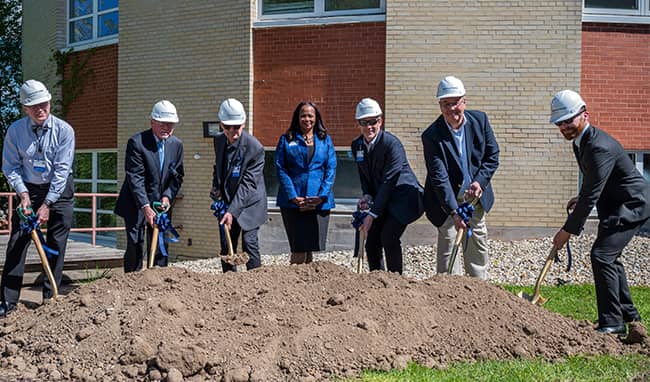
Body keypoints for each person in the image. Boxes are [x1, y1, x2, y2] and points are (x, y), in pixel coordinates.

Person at [549, 90, 650, 339]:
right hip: (616, 204)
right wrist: (580, 197)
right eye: (559, 123)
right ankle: (629, 315)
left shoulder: (598, 146)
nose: (564, 127)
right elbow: (594, 181)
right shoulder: (580, 141)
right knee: (609, 257)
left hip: (632, 204)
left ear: (585, 115)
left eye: (568, 121)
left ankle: (613, 322)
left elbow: (592, 194)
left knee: (602, 256)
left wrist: (567, 231)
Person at [1, 80, 75, 317]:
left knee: (56, 242)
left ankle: (50, 298)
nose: (40, 109)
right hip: (29, 188)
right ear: (24, 108)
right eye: (34, 106)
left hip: (60, 191)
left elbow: (62, 171)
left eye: (43, 104)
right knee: (17, 243)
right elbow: (10, 167)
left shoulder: (64, 130)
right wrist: (24, 195)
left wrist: (47, 205)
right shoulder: (15, 131)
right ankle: (7, 302)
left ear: (49, 102)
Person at [421, 76, 500, 280]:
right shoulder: (431, 135)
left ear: (464, 102)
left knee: (477, 249)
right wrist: (454, 212)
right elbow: (439, 178)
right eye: (446, 104)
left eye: (455, 103)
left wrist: (479, 182)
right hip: (446, 201)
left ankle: (479, 295)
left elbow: (492, 156)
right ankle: (449, 297)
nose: (451, 109)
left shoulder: (480, 121)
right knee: (449, 249)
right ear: (440, 106)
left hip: (474, 199)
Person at [351, 98, 423, 274]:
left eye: (373, 122)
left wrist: (372, 215)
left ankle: (396, 283)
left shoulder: (392, 144)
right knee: (372, 241)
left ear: (380, 121)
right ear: (358, 124)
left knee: (389, 237)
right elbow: (364, 176)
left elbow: (389, 182)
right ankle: (377, 282)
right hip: (383, 201)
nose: (369, 127)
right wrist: (367, 196)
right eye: (364, 122)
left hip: (404, 199)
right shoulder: (357, 146)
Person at [115, 100, 184, 273]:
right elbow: (135, 178)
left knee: (161, 247)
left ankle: (158, 284)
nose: (167, 128)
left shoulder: (176, 145)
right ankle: (132, 284)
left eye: (171, 124)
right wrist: (145, 207)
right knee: (135, 245)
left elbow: (177, 176)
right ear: (152, 122)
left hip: (161, 204)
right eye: (162, 124)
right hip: (136, 203)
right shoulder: (137, 143)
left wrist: (168, 196)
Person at [275, 102, 337, 264]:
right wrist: (293, 196)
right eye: (303, 115)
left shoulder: (325, 139)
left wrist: (321, 196)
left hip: (318, 201)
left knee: (310, 246)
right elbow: (281, 169)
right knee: (298, 247)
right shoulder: (286, 139)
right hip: (294, 203)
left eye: (310, 115)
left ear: (316, 118)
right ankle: (294, 284)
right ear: (297, 117)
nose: (307, 119)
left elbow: (330, 168)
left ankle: (307, 285)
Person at [211, 98, 267, 273]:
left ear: (243, 124)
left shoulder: (255, 148)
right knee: (226, 244)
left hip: (250, 203)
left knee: (249, 243)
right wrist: (216, 187)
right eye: (227, 127)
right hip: (228, 201)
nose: (232, 132)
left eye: (237, 127)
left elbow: (248, 184)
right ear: (221, 125)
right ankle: (229, 282)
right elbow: (218, 167)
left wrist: (232, 212)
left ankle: (255, 282)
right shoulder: (219, 141)